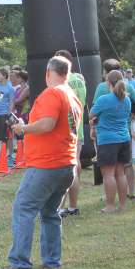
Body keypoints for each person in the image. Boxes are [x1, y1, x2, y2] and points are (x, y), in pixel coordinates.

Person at [0, 56, 82, 269]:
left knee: (23, 208)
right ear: (67, 73)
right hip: (67, 164)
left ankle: (19, 263)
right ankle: (52, 260)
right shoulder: (73, 96)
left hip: (47, 164)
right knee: (50, 212)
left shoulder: (52, 93)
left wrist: (23, 128)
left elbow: (47, 124)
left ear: (48, 73)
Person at [93, 59, 135, 198]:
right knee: (126, 166)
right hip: (124, 132)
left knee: (108, 170)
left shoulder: (101, 87)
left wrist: (92, 128)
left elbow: (94, 112)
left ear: (106, 73)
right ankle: (130, 193)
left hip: (106, 134)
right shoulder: (128, 87)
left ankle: (109, 196)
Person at [90, 70, 132, 213]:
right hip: (124, 139)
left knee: (108, 174)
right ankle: (122, 205)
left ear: (108, 82)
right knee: (121, 173)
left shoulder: (103, 99)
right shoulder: (127, 100)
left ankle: (109, 206)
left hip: (108, 141)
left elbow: (91, 114)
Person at [55, 50, 86, 218]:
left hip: (66, 131)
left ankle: (60, 207)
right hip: (78, 130)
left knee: (67, 170)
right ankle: (73, 206)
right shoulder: (80, 80)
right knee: (75, 167)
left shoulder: (62, 82)